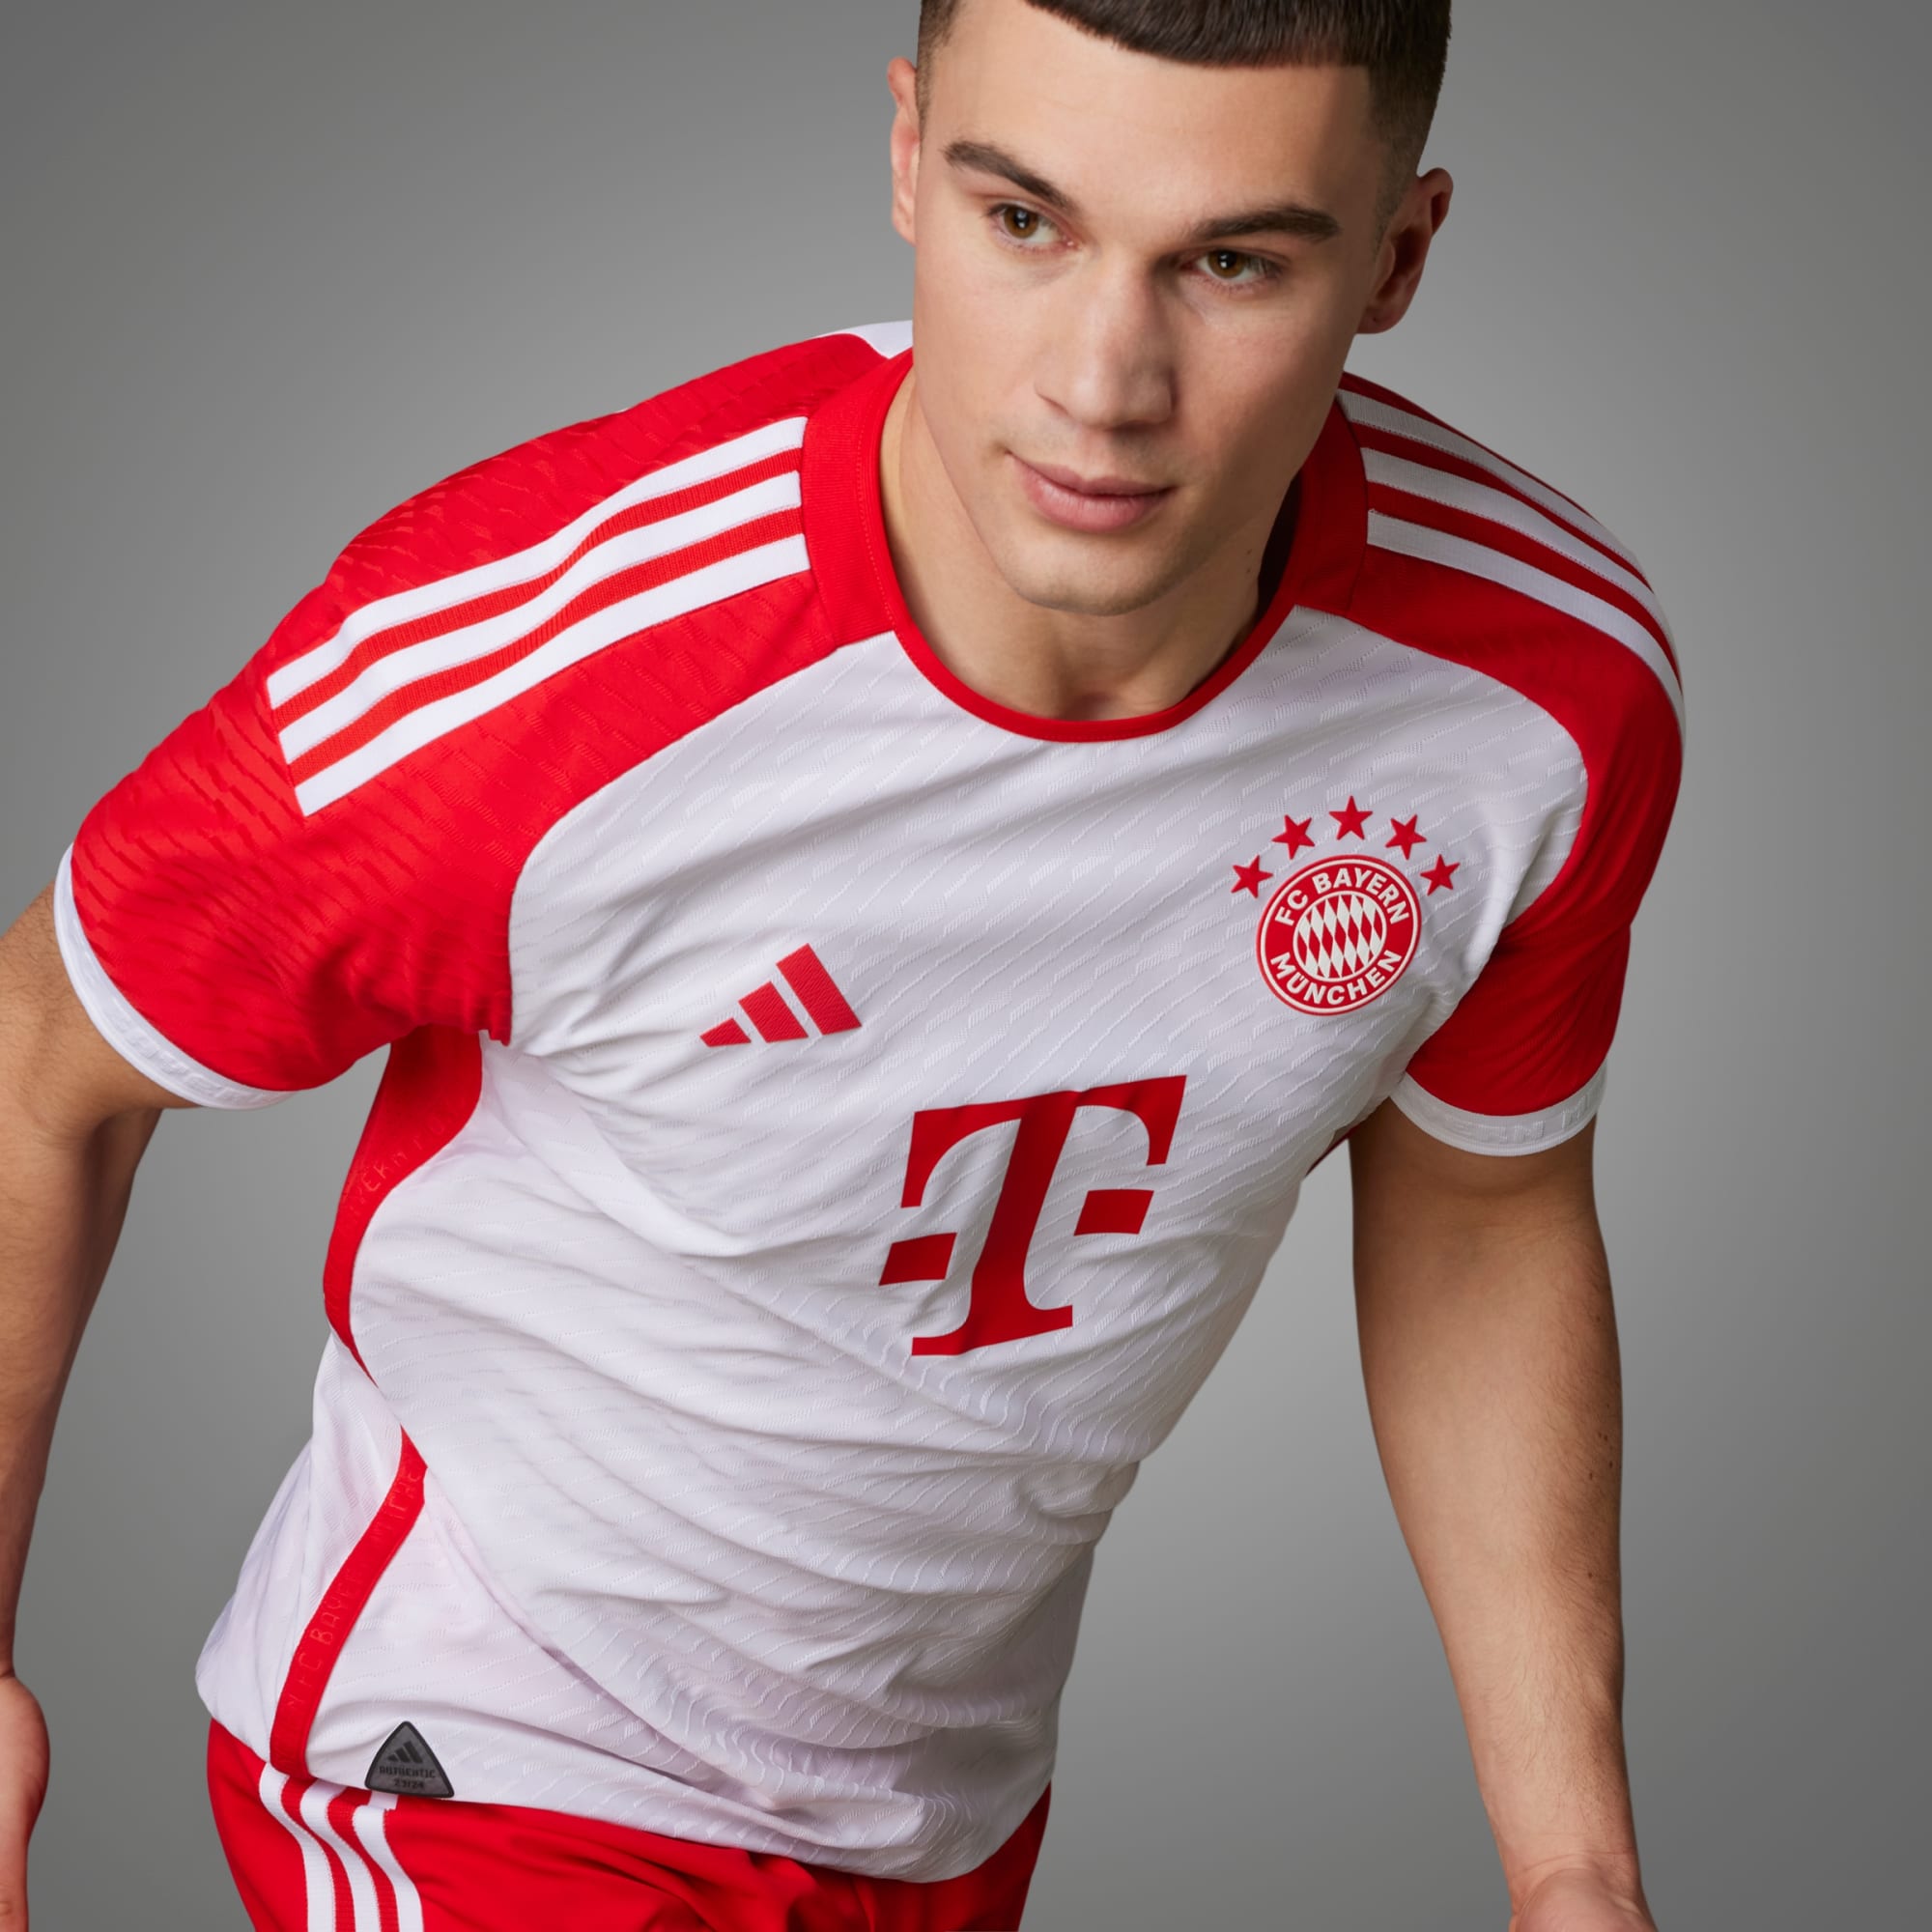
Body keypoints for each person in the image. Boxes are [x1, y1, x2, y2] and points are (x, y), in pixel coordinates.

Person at [0, 1, 1685, 1925]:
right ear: (907, 158)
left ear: (1393, 258)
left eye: (1230, 263)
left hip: (938, 1813)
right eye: (1023, 220)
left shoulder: (1537, 698)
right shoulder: (533, 664)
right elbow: (44, 1062)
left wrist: (1572, 1870)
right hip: (478, 1756)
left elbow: (1482, 1212)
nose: (1101, 383)